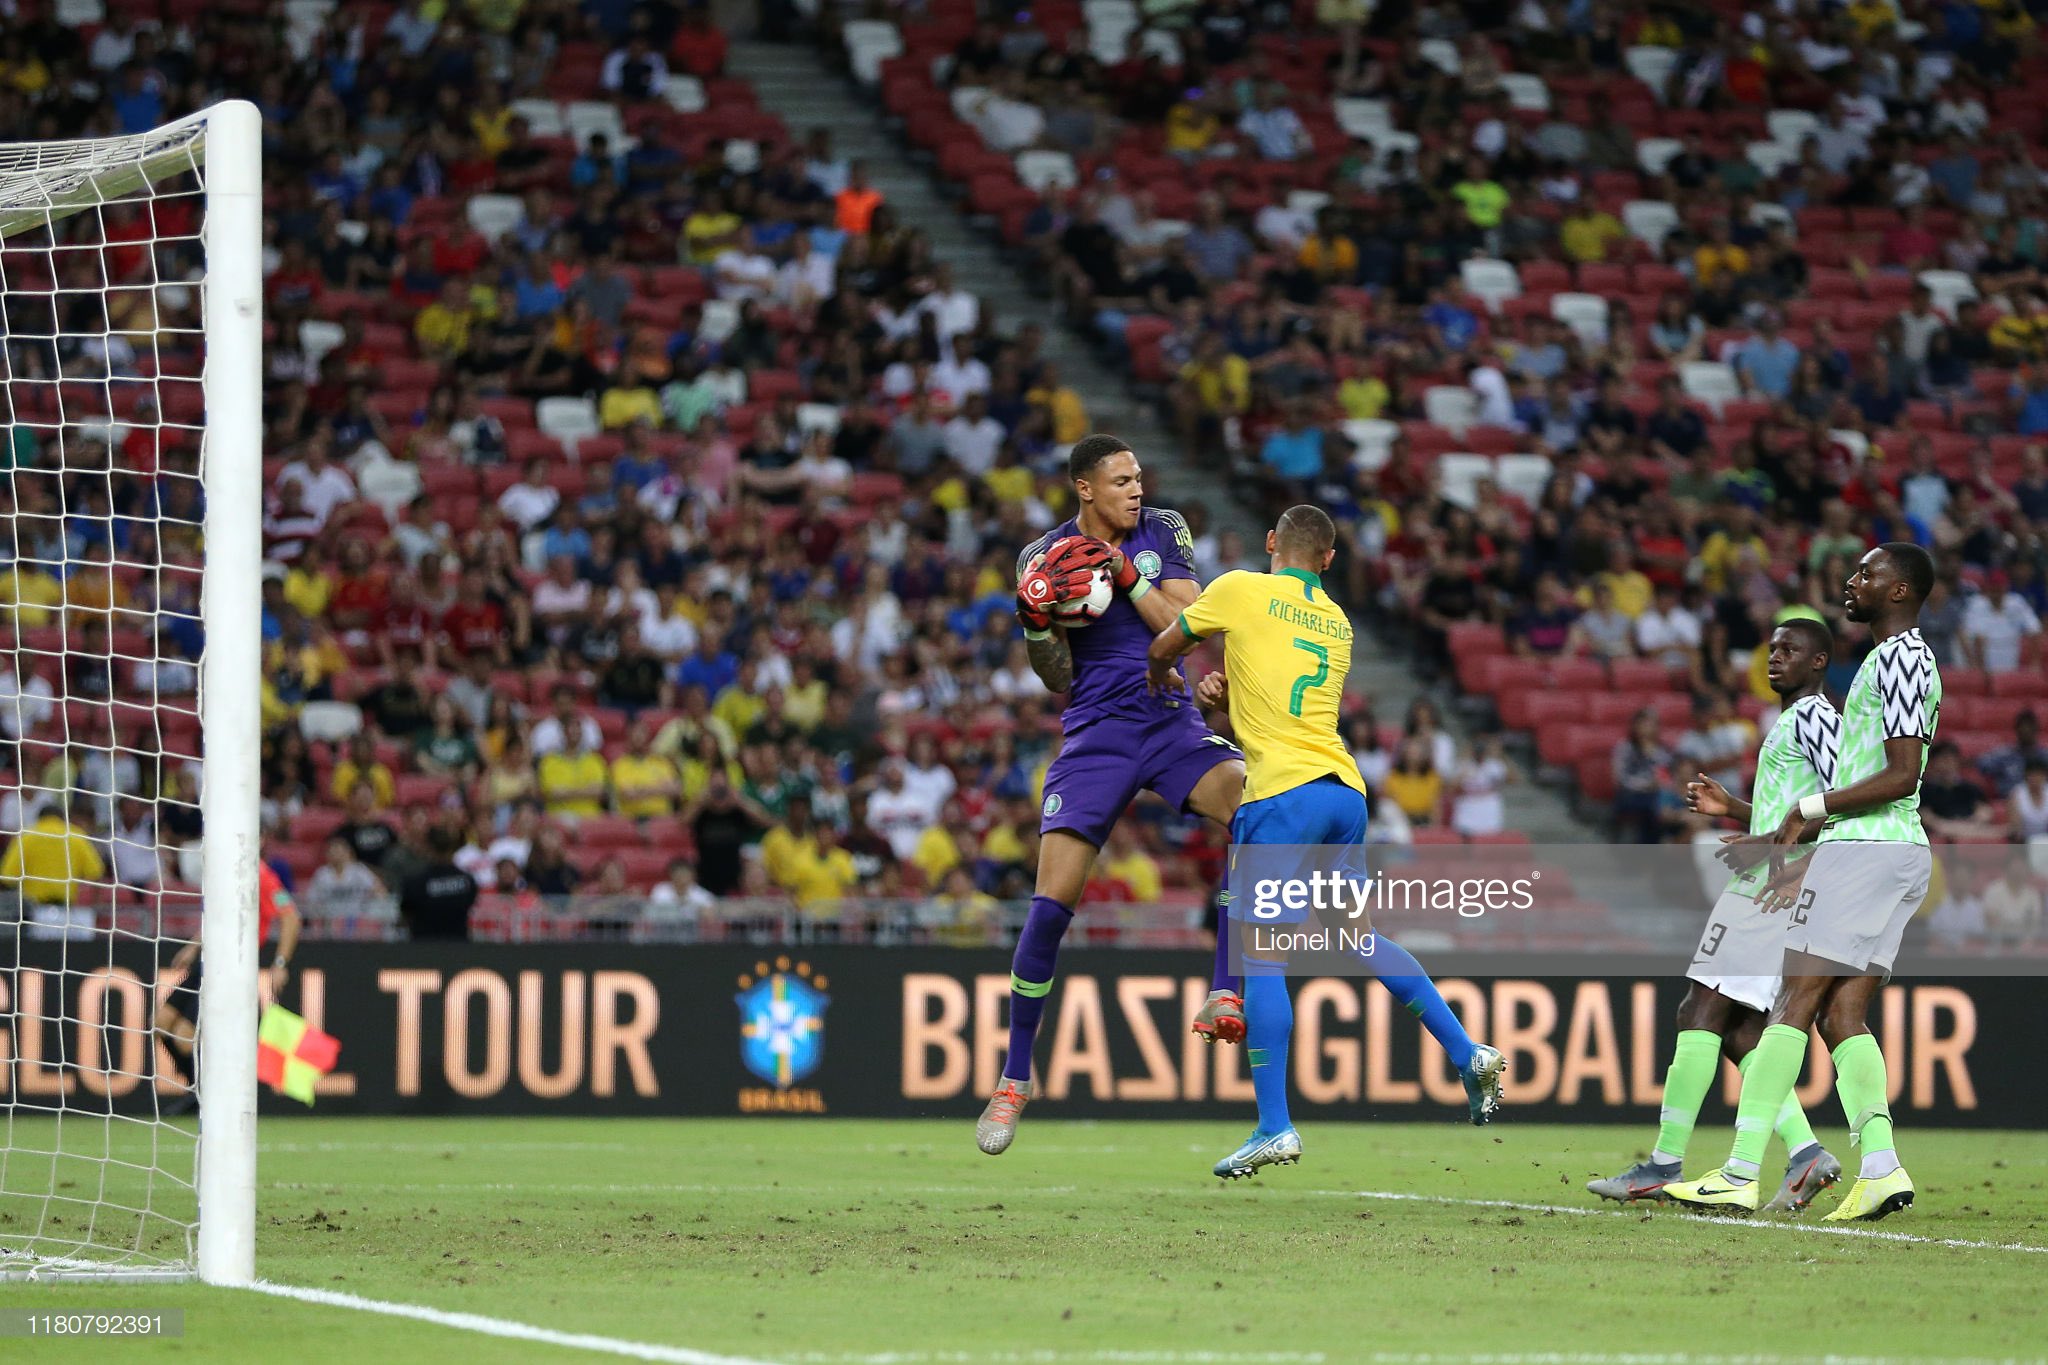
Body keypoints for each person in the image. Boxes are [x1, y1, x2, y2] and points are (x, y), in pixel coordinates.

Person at [1146, 504, 1505, 1178]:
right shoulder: (1337, 621)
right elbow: (1285, 704)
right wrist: (1231, 700)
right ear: (1330, 561)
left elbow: (1166, 643)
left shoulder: (1240, 588)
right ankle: (1467, 1051)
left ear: (1271, 541)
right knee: (1359, 937)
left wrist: (1167, 677)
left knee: (1262, 958)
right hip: (1342, 792)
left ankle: (1273, 1125)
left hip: (1281, 796)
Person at [973, 434, 1248, 1158]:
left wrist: (1123, 573)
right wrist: (1037, 624)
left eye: (1138, 477)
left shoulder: (1164, 529)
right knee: (1049, 906)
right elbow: (1055, 676)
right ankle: (1014, 1078)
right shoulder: (1042, 556)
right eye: (1121, 480)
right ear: (1084, 487)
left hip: (1169, 720)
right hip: (1095, 735)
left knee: (1255, 812)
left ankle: (1225, 988)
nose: (1136, 488)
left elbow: (1186, 627)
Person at [1664, 544, 1940, 1221]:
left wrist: (1807, 810)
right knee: (1840, 1015)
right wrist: (1765, 819)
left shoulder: (1901, 656)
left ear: (1900, 590)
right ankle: (1881, 1167)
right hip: (1894, 852)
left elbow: (1901, 774)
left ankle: (1738, 1172)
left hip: (1866, 851)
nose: (1853, 581)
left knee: (1791, 1002)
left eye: (1868, 573)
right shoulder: (1891, 659)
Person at [1589, 620, 1845, 1211]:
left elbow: (1846, 808)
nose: (1775, 657)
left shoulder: (1815, 717)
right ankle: (1806, 1154)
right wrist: (1736, 808)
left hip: (1774, 887)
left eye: (1790, 650)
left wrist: (1793, 864)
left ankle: (1662, 1165)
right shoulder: (1791, 719)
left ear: (1818, 662)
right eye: (1772, 648)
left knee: (1700, 1009)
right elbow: (1796, 815)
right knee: (1740, 1030)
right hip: (1771, 879)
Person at [155, 857, 302, 1115]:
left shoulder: (262, 875)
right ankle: (199, 1092)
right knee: (159, 1024)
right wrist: (192, 948)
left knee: (184, 1037)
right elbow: (218, 917)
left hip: (232, 966)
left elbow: (291, 917)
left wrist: (280, 963)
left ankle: (208, 1099)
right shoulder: (226, 866)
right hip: (207, 961)